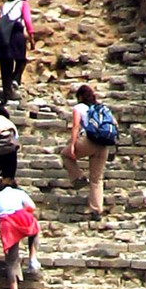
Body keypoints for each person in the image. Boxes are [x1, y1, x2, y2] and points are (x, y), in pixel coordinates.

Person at [61, 83, 116, 217]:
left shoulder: (79, 107)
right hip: (103, 144)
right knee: (96, 179)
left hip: (89, 141)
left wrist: (73, 144)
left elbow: (75, 126)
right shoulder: (101, 108)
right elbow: (114, 123)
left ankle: (78, 177)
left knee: (65, 154)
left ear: (79, 96)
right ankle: (96, 209)